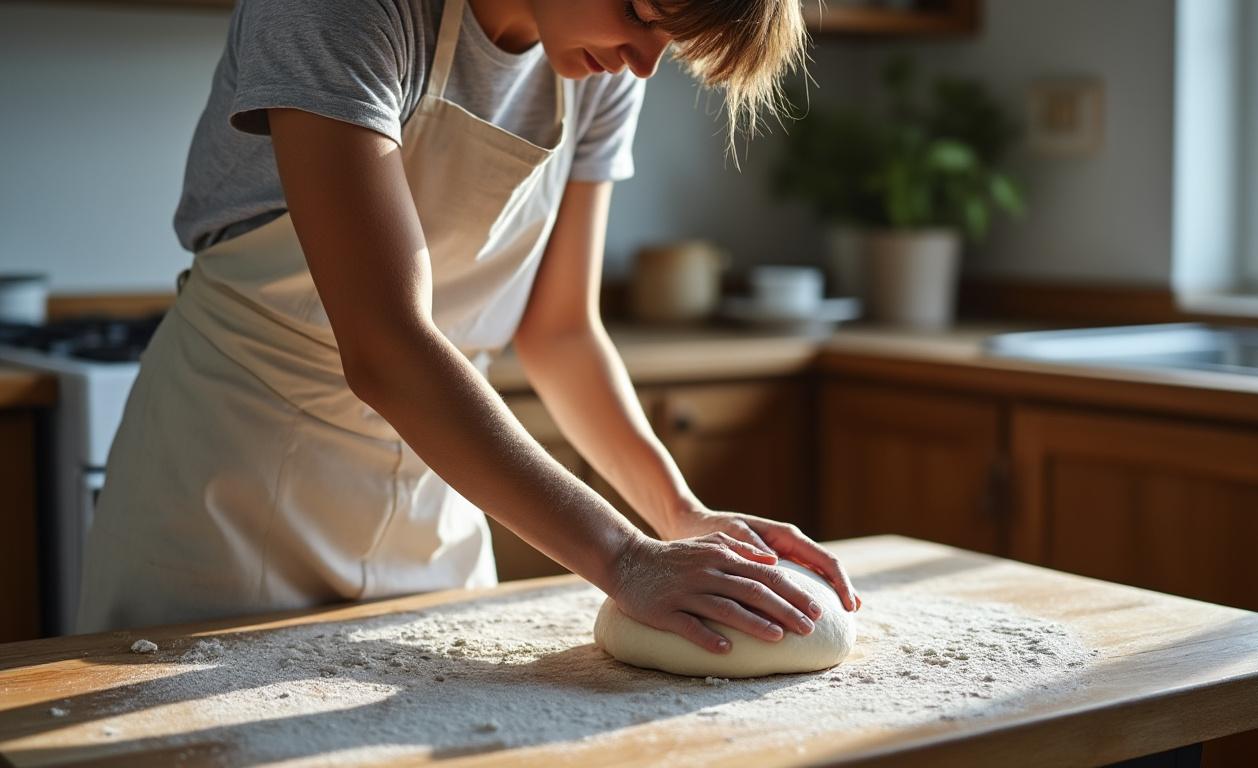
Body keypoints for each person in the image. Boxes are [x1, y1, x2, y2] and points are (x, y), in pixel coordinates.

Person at [77, 0, 861, 654]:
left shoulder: (600, 63)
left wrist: (678, 513)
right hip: (227, 498)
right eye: (642, 11)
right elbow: (385, 344)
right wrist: (623, 557)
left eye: (670, 38)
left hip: (435, 505)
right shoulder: (346, 10)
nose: (648, 60)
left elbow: (561, 333)